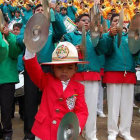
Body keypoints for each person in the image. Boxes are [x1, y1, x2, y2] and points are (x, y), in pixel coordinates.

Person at [15, 4, 66, 140]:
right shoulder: (27, 26)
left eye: (43, 10)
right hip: (32, 68)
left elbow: (62, 31)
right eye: (38, 10)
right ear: (33, 13)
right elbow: (19, 40)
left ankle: (47, 131)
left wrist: (54, 13)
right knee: (30, 101)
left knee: (49, 101)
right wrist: (30, 35)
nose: (40, 12)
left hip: (48, 68)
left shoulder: (50, 27)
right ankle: (29, 134)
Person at [23, 41, 88, 140]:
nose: (64, 71)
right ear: (53, 68)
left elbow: (82, 111)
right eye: (60, 67)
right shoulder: (46, 80)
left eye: (69, 68)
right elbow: (33, 69)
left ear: (75, 69)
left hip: (64, 134)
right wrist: (30, 50)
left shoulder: (79, 88)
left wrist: (76, 127)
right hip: (43, 131)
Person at [63, 13, 113, 140]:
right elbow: (63, 52)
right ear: (77, 22)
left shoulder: (95, 37)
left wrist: (101, 36)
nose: (86, 22)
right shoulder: (69, 36)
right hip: (75, 75)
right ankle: (73, 133)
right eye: (83, 20)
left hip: (92, 74)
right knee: (72, 106)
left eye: (88, 21)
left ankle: (91, 134)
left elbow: (103, 50)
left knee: (90, 107)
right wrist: (73, 49)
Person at [95, 13, 136, 140]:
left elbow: (136, 53)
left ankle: (125, 131)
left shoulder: (131, 37)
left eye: (120, 20)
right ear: (110, 23)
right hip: (113, 71)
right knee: (113, 105)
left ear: (124, 23)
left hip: (128, 72)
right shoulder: (107, 36)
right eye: (115, 21)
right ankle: (112, 131)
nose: (117, 23)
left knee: (127, 105)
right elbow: (102, 49)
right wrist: (109, 36)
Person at [0, 25, 22, 140]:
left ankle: (7, 132)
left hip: (7, 79)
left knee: (6, 108)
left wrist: (8, 36)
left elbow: (15, 52)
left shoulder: (12, 37)